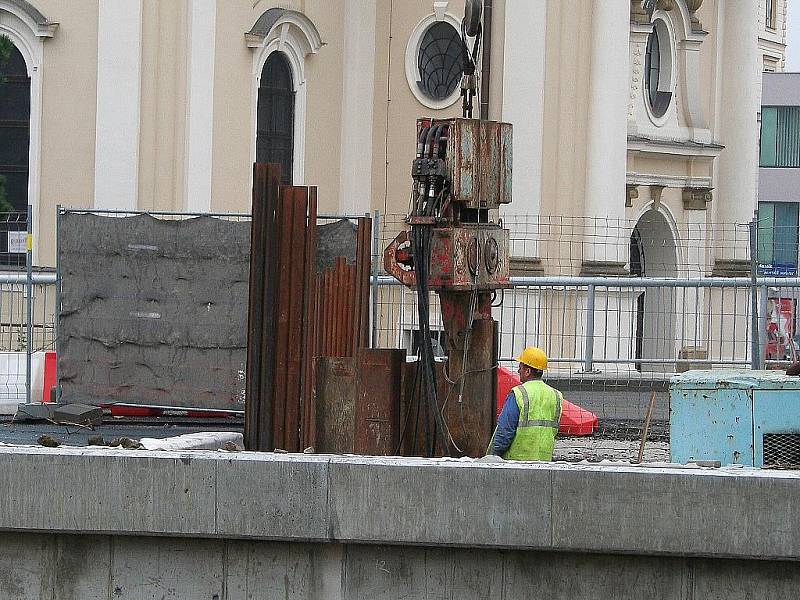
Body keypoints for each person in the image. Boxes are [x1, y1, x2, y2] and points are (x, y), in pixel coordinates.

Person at [486, 347, 563, 461]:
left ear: (528, 371)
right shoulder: (556, 396)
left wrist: (492, 457)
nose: (518, 371)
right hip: (544, 463)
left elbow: (505, 432)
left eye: (520, 367)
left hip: (516, 463)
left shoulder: (519, 393)